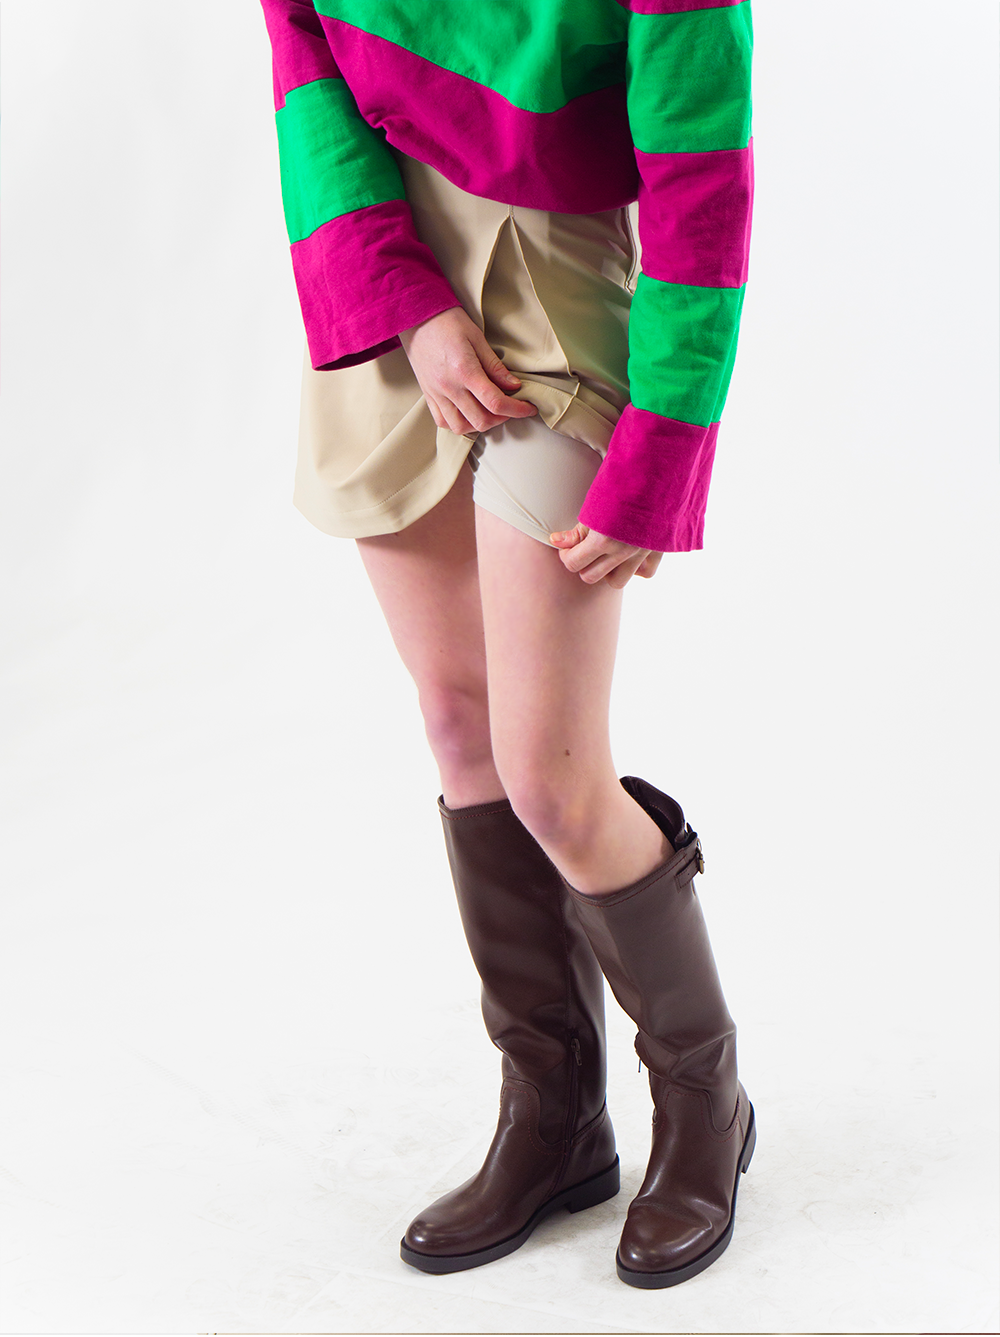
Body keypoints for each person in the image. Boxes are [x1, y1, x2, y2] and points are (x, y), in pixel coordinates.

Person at [260, 0, 755, 1289]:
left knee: (551, 776)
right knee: (460, 728)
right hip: (376, 256)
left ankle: (706, 1101)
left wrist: (666, 445)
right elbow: (304, 61)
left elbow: (702, 171)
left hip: (554, 267)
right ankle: (556, 1117)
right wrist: (406, 304)